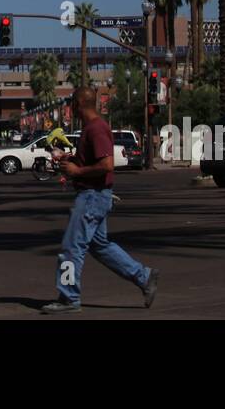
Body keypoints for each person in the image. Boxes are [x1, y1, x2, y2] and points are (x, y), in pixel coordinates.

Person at [41, 87, 158, 314]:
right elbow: (94, 162)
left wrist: (76, 171)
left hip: (92, 196)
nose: (71, 108)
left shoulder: (96, 128)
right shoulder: (91, 128)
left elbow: (107, 165)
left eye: (72, 104)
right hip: (96, 194)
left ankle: (68, 298)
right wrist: (71, 160)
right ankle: (144, 277)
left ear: (77, 104)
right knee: (100, 246)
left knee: (70, 248)